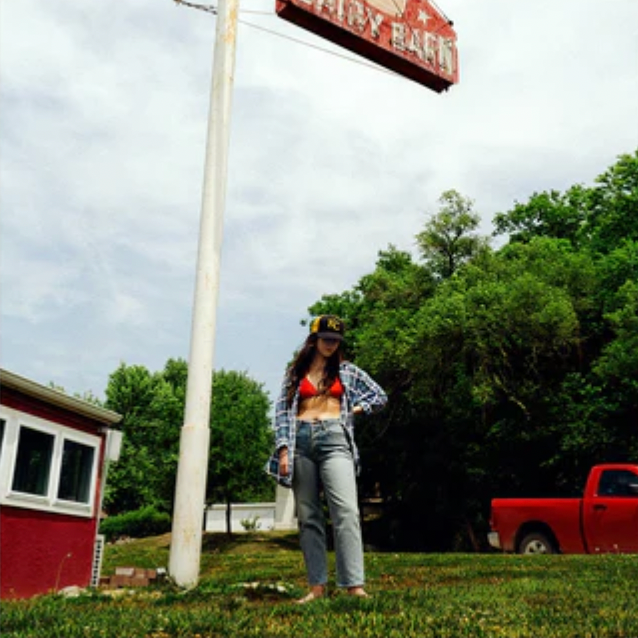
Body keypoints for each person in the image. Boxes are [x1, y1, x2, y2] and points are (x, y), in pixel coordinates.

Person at [266, 314, 387, 603]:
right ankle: (316, 588)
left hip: (335, 439)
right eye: (326, 339)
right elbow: (282, 414)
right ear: (314, 340)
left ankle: (353, 586)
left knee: (346, 511)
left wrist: (352, 412)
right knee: (308, 516)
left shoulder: (348, 372)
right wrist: (284, 450)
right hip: (301, 441)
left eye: (336, 340)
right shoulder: (294, 374)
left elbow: (379, 396)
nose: (331, 345)